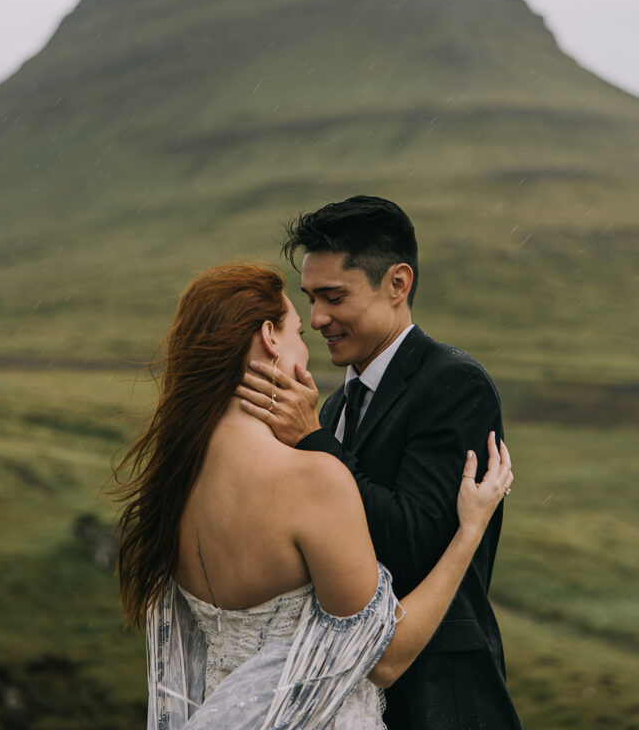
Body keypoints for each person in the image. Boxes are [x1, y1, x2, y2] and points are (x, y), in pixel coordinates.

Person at [113, 261, 513, 730]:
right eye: (297, 329)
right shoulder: (313, 481)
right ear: (269, 337)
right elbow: (384, 661)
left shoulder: (175, 482)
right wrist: (469, 530)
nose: (311, 340)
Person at [236, 196, 522, 729]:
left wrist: (315, 441)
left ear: (397, 284)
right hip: (353, 699)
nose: (318, 318)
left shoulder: (453, 384)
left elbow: (415, 543)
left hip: (440, 699)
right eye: (311, 299)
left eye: (334, 297)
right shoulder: (337, 404)